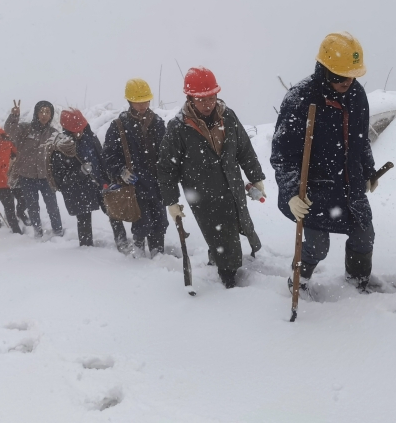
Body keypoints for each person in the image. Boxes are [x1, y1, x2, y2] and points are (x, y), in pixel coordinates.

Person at [271, 32, 377, 292]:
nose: (347, 82)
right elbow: (283, 155)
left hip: (350, 184)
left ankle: (357, 283)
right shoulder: (300, 99)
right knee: (317, 247)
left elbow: (361, 139)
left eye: (352, 76)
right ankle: (298, 282)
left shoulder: (356, 95)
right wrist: (291, 193)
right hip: (314, 189)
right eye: (341, 76)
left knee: (364, 236)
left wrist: (369, 170)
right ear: (326, 70)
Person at [158, 67, 266, 288]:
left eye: (211, 97)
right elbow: (167, 168)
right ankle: (228, 280)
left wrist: (256, 177)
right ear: (190, 98)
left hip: (233, 186)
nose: (208, 104)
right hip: (203, 195)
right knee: (221, 235)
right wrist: (171, 201)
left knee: (237, 224)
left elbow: (244, 149)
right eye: (201, 99)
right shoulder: (178, 127)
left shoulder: (228, 116)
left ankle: (218, 258)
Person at [103, 79, 167, 257]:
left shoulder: (158, 123)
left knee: (160, 224)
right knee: (141, 223)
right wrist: (121, 171)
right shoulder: (119, 126)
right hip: (135, 186)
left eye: (146, 101)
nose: (143, 105)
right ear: (130, 101)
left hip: (157, 184)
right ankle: (138, 256)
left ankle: (158, 256)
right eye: (138, 102)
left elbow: (167, 154)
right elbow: (108, 155)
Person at [50, 109, 110, 247]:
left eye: (81, 128)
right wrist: (81, 172)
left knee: (113, 213)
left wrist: (106, 179)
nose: (79, 132)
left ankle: (121, 241)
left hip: (99, 184)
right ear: (67, 129)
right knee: (84, 219)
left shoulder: (91, 137)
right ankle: (86, 248)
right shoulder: (62, 147)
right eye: (75, 130)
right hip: (79, 191)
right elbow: (61, 179)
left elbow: (101, 158)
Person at [5, 100, 64, 238]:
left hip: (46, 177)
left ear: (51, 115)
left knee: (52, 206)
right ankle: (38, 231)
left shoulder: (53, 133)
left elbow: (59, 154)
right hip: (27, 177)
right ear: (36, 113)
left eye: (47, 112)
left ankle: (58, 230)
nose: (44, 115)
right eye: (41, 111)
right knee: (32, 207)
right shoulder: (25, 129)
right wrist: (14, 117)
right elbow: (9, 131)